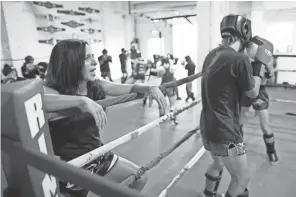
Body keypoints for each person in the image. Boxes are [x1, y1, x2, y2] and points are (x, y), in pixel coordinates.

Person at [43, 39, 168, 197]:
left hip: (97, 156)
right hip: (72, 167)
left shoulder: (93, 85)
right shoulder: (51, 91)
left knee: (139, 178)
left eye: (93, 56)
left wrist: (150, 88)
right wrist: (80, 101)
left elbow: (130, 88)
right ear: (70, 62)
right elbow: (38, 101)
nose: (95, 62)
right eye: (87, 58)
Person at [198, 15, 265, 197]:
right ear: (244, 34)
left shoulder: (212, 54)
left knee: (218, 163)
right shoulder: (239, 60)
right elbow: (253, 93)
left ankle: (208, 193)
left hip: (207, 127)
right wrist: (258, 66)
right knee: (242, 179)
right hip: (226, 132)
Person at [240, 36, 279, 165]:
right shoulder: (243, 56)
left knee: (265, 125)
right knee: (239, 122)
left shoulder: (266, 58)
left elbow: (271, 79)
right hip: (246, 91)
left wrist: (269, 70)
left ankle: (271, 152)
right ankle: (239, 150)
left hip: (260, 92)